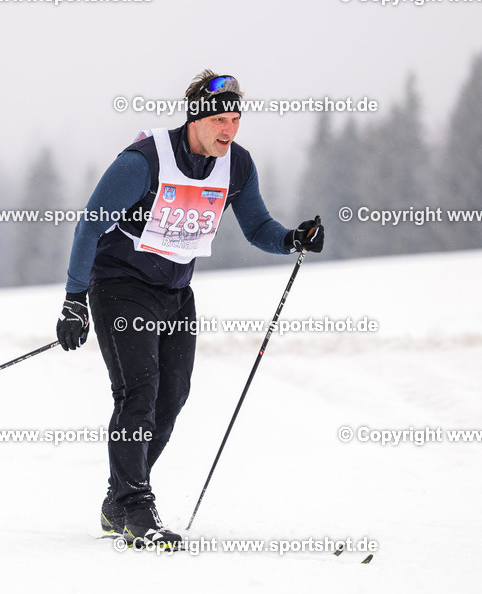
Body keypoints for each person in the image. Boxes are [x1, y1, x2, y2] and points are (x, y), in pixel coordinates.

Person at [56, 69, 324, 549]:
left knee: (171, 397)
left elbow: (257, 224)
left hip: (177, 291)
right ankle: (136, 503)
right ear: (196, 118)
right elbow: (88, 227)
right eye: (220, 118)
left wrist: (291, 240)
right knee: (138, 392)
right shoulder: (143, 162)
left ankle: (120, 500)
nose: (229, 129)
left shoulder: (236, 166)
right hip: (121, 286)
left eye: (236, 119)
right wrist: (75, 301)